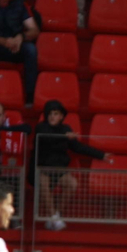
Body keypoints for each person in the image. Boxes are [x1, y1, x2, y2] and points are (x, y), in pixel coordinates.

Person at [30, 99, 103, 230]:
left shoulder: (66, 129)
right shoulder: (41, 127)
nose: (52, 116)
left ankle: (54, 215)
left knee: (72, 183)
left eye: (56, 113)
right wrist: (64, 136)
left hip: (59, 169)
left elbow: (78, 147)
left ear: (61, 116)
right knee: (44, 181)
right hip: (41, 169)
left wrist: (101, 155)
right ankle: (54, 218)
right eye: (50, 113)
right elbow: (47, 136)